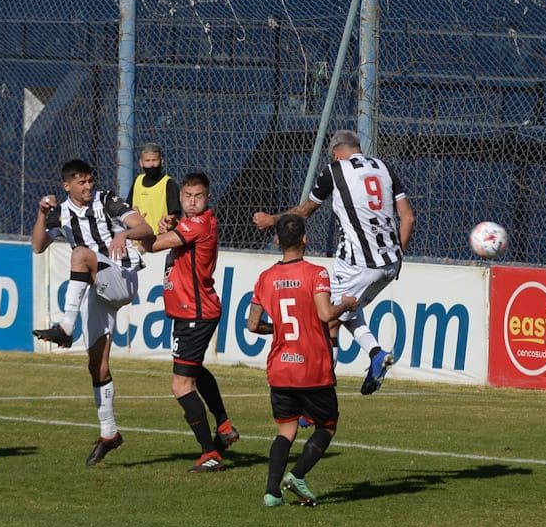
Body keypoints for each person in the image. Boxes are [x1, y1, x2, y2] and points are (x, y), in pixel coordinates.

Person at [252, 130, 415, 396]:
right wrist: (398, 255)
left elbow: (304, 212)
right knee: (347, 309)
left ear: (336, 153)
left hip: (358, 262)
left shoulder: (335, 170)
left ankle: (322, 387)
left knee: (326, 318)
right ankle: (375, 353)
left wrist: (272, 220)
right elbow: (408, 217)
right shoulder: (384, 167)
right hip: (391, 262)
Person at [31, 159, 154, 466]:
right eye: (81, 182)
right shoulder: (60, 212)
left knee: (80, 253)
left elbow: (145, 227)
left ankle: (66, 327)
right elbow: (37, 246)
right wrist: (42, 213)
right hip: (97, 289)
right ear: (67, 186)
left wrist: (124, 235)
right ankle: (109, 433)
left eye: (89, 181)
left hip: (121, 276)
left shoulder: (107, 200)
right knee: (97, 366)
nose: (88, 187)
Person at [248, 213, 358, 507]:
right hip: (312, 366)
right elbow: (325, 314)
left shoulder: (265, 278)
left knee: (286, 430)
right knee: (327, 426)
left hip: (280, 366)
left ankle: (272, 493)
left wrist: (279, 329)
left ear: (276, 240)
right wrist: (345, 304)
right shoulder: (316, 273)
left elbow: (252, 325)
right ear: (305, 239)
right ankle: (297, 475)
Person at [143, 172, 239, 472]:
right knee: (193, 371)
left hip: (195, 313)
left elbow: (152, 245)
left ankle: (210, 453)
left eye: (198, 196)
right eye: (187, 196)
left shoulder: (199, 224)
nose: (192, 202)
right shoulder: (190, 223)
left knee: (181, 385)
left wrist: (134, 230)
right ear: (181, 197)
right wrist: (168, 225)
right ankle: (223, 426)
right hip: (190, 312)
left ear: (208, 198)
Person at [126, 142, 180, 236]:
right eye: (147, 161)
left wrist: (168, 223)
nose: (151, 164)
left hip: (159, 240)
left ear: (161, 161)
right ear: (141, 163)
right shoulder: (137, 181)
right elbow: (127, 208)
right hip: (136, 240)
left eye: (154, 160)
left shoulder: (168, 184)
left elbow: (175, 216)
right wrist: (132, 213)